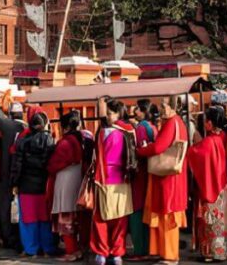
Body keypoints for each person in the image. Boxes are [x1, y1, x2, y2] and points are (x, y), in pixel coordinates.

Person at [136, 96, 189, 265]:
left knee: (167, 214)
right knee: (166, 214)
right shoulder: (177, 122)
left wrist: (141, 151)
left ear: (173, 107)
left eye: (164, 105)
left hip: (167, 178)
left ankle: (170, 255)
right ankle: (165, 253)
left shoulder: (172, 122)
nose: (161, 109)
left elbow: (159, 147)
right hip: (171, 175)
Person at [90, 98, 135, 265]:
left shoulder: (103, 133)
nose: (107, 116)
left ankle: (101, 252)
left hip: (103, 179)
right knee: (120, 219)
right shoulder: (130, 131)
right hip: (123, 180)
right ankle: (117, 253)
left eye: (110, 113)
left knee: (101, 218)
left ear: (117, 114)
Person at [187, 107, 227, 263]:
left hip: (211, 186)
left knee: (210, 221)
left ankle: (211, 252)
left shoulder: (208, 142)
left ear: (210, 123)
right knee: (223, 220)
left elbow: (193, 154)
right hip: (223, 184)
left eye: (206, 121)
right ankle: (223, 251)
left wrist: (194, 142)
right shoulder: (224, 137)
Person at [11, 108, 56, 257]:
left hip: (26, 185)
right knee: (44, 219)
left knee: (28, 220)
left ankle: (31, 249)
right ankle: (47, 248)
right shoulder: (50, 140)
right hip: (44, 186)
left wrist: (15, 183)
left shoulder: (23, 142)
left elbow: (17, 166)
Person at [47, 110, 84, 262]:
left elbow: (53, 165)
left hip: (65, 180)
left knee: (65, 218)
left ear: (65, 127)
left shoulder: (65, 142)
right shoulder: (82, 139)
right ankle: (77, 250)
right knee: (74, 218)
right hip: (77, 179)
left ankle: (71, 251)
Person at [0, 93, 27, 251]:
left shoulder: (8, 126)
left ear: (11, 115)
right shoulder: (27, 128)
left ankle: (8, 239)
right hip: (25, 177)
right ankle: (24, 239)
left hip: (7, 175)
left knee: (6, 208)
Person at [129, 99, 158, 260]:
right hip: (151, 172)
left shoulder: (141, 128)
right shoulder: (152, 126)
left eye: (137, 109)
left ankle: (140, 250)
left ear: (142, 111)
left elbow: (141, 149)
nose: (134, 111)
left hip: (140, 173)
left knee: (137, 212)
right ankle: (148, 247)